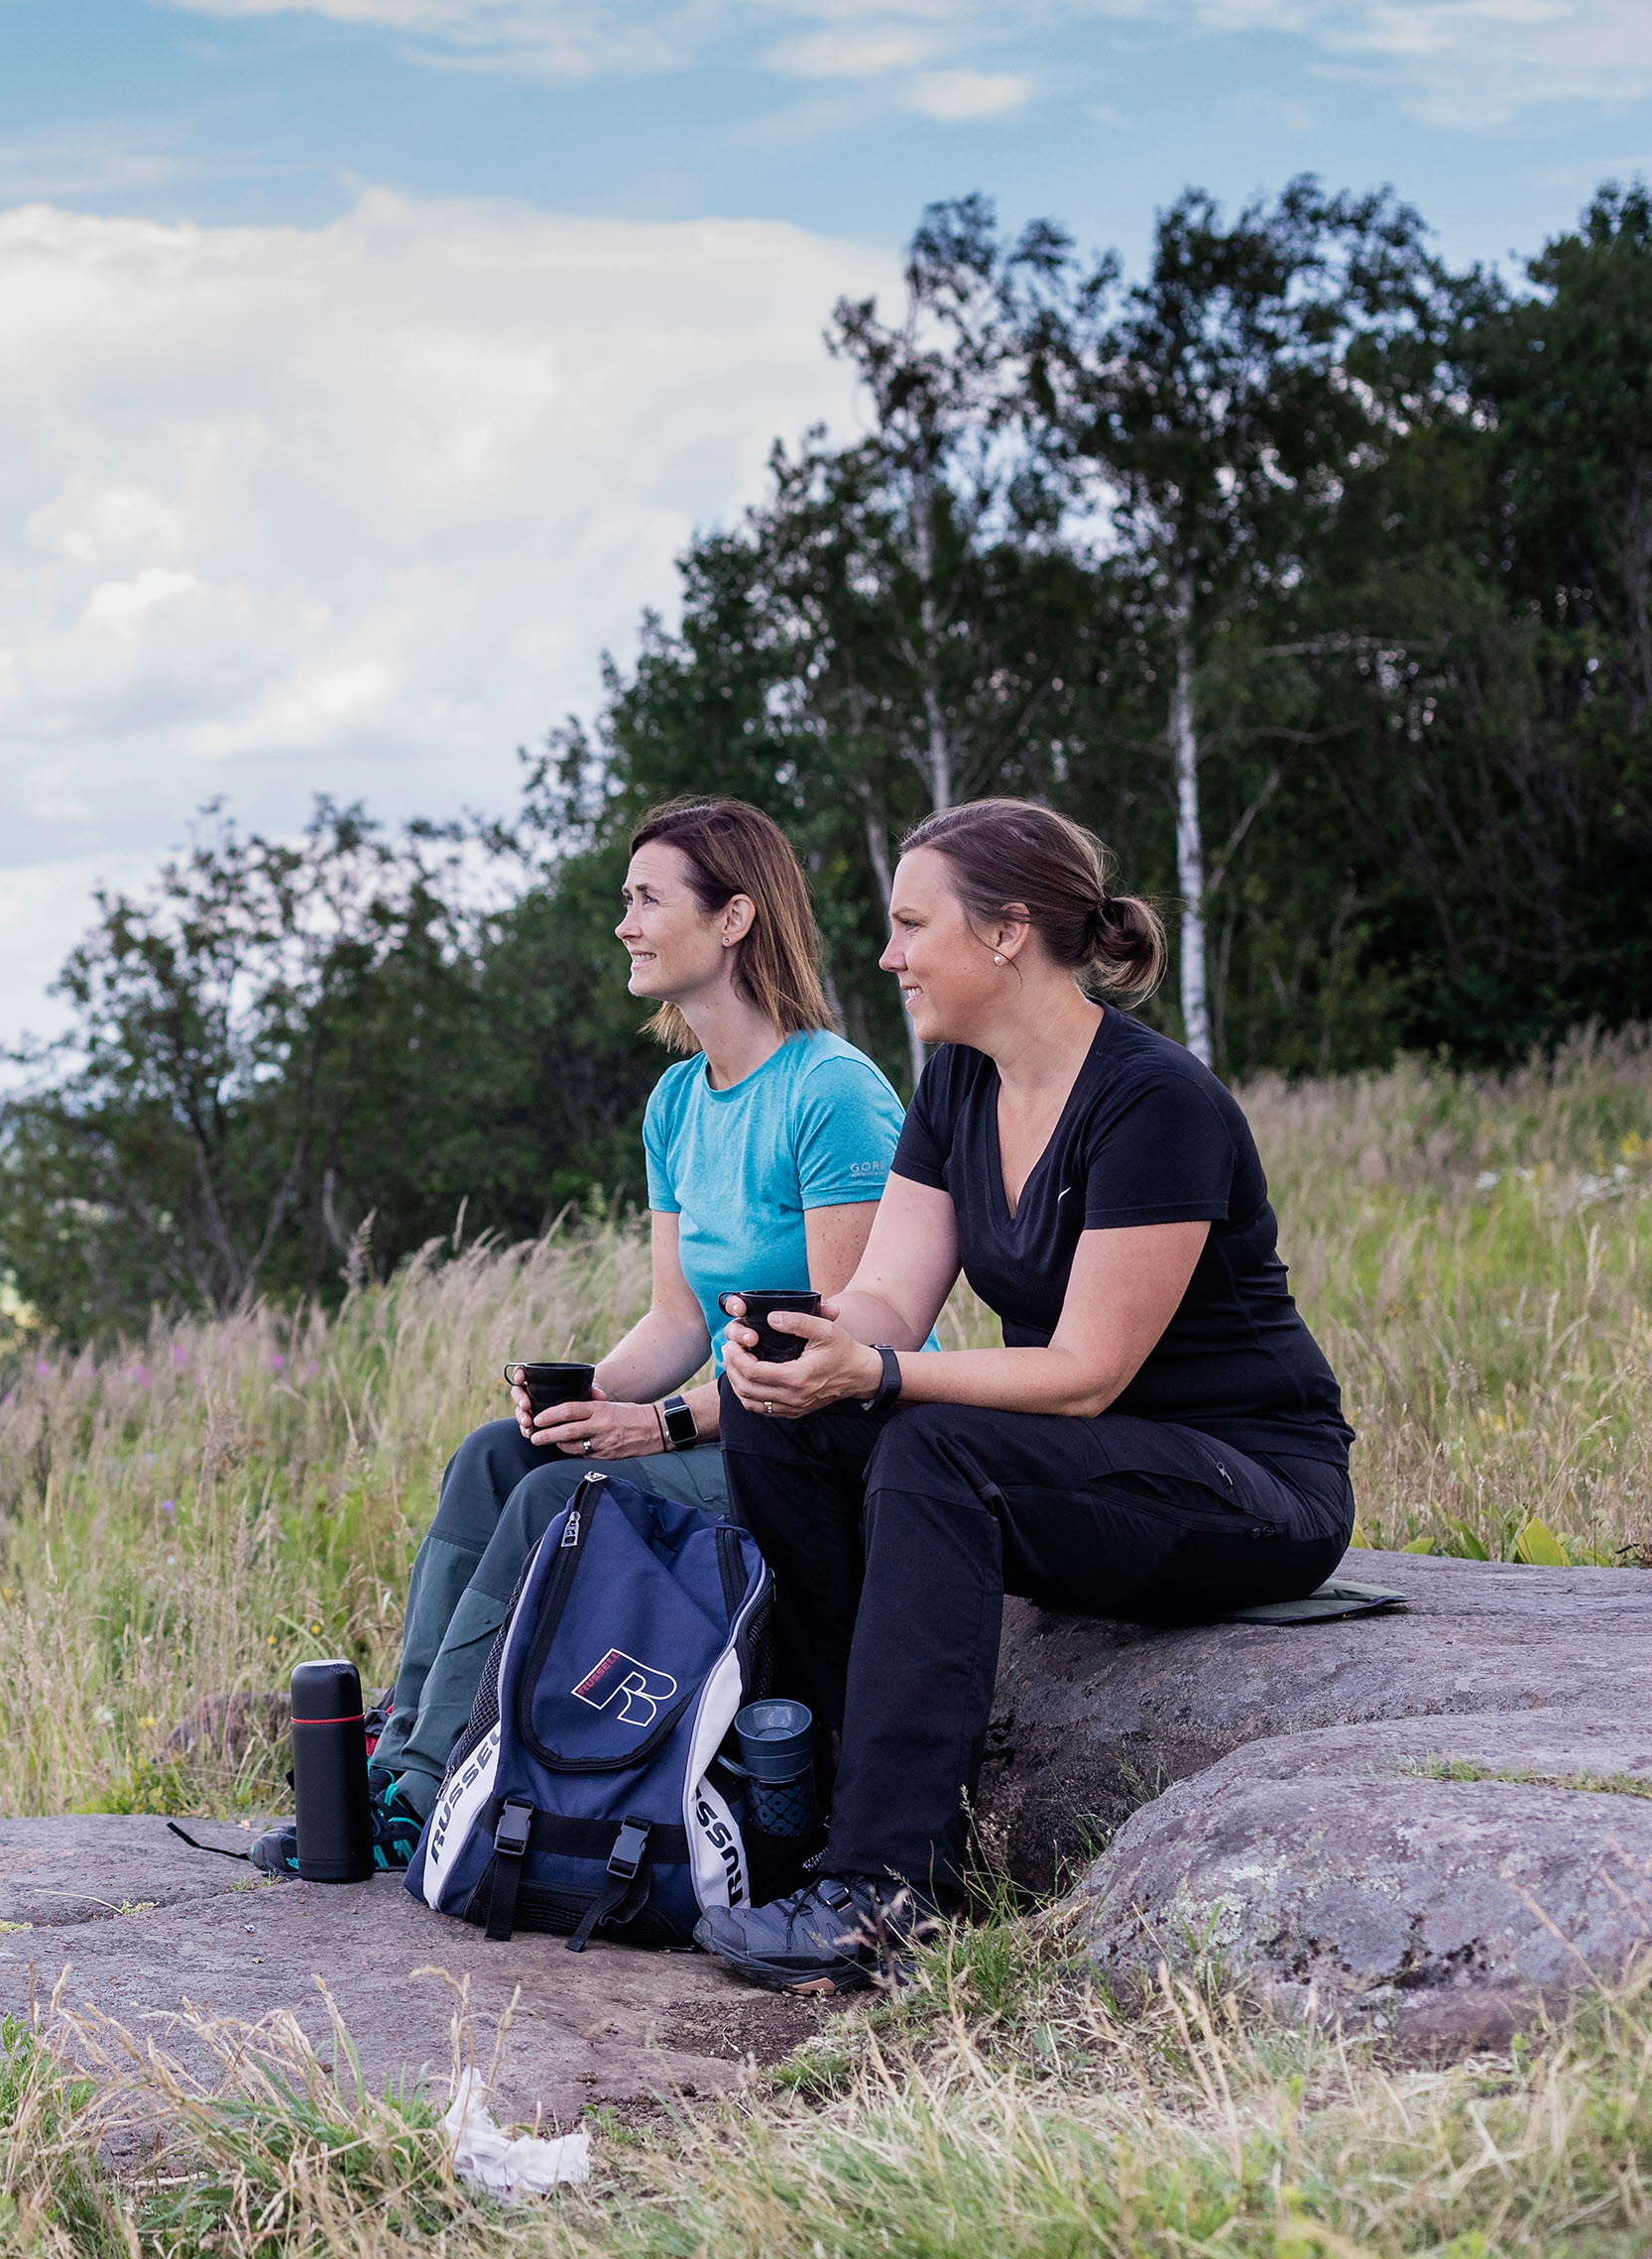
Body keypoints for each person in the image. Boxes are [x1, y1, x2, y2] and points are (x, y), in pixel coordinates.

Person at [691, 797, 1356, 1991]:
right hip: (1093, 1469)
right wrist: (803, 1342)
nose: (888, 956)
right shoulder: (957, 1087)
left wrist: (885, 1373)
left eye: (910, 925)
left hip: (1244, 1480)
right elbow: (888, 1299)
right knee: (783, 1418)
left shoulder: (1157, 1103)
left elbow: (1086, 1371)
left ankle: (889, 1898)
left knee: (936, 1448)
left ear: (1004, 933)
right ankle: (825, 1815)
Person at [254, 795, 909, 1875]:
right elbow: (678, 1317)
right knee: (501, 1454)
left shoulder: (831, 1091)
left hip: (820, 1456)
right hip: (727, 1426)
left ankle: (422, 1793)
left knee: (559, 1497)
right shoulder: (678, 1101)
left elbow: (846, 1349)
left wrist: (658, 1424)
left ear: (736, 916)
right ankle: (402, 1750)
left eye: (649, 899)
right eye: (627, 900)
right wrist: (585, 1394)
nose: (627, 923)